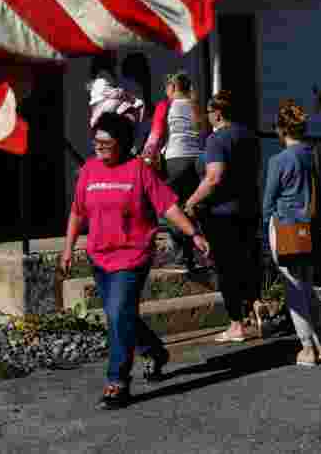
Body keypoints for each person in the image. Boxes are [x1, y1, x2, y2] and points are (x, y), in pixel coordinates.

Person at [59, 112, 210, 410]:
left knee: (118, 315)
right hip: (99, 256)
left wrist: (193, 233)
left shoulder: (138, 170)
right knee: (121, 315)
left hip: (132, 255)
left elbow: (167, 206)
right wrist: (67, 249)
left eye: (106, 141)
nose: (99, 146)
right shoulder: (89, 170)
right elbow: (77, 211)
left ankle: (117, 382)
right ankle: (154, 351)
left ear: (122, 142)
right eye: (96, 141)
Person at [183, 90, 261, 343]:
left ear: (217, 113)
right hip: (249, 208)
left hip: (223, 213)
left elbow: (214, 177)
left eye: (208, 112)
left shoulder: (217, 140)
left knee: (227, 268)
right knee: (248, 261)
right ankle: (255, 310)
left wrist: (192, 201)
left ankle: (236, 324)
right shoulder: (250, 135)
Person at [262, 100, 321, 365]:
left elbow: (269, 200)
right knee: (308, 285)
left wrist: (265, 230)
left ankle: (307, 347)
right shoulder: (313, 155)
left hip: (285, 225)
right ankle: (320, 343)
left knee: (293, 288)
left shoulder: (278, 160)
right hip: (309, 226)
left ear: (280, 129)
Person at [142, 71, 206, 271]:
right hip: (197, 161)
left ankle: (179, 256)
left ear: (171, 88)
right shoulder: (196, 106)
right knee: (190, 206)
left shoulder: (166, 105)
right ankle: (193, 256)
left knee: (167, 207)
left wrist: (145, 158)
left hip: (175, 161)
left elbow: (156, 134)